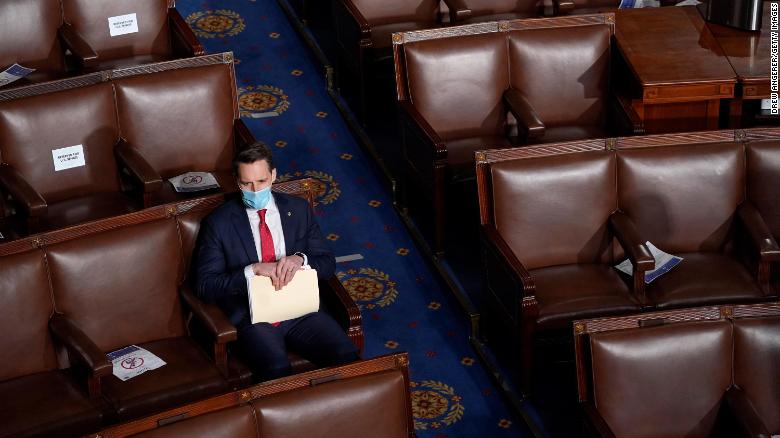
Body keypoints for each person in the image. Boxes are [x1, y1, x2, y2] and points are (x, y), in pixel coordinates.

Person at [195, 143, 359, 380]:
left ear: (273, 175)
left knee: (347, 358)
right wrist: (253, 270)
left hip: (301, 310)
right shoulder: (218, 224)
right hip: (255, 317)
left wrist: (300, 259)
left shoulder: (299, 209)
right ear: (236, 181)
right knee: (276, 372)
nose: (255, 190)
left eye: (261, 182)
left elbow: (327, 263)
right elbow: (205, 287)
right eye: (246, 184)